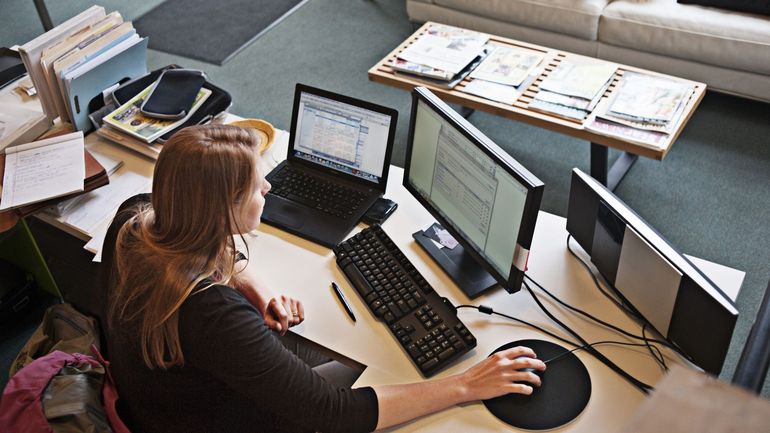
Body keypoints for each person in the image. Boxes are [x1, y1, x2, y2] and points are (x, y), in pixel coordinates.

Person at [100, 124, 545, 433]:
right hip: (206, 423)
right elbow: (334, 413)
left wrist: (255, 285)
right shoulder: (212, 315)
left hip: (156, 403)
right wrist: (465, 385)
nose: (269, 190)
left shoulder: (136, 220)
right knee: (367, 376)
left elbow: (212, 249)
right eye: (257, 187)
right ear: (224, 210)